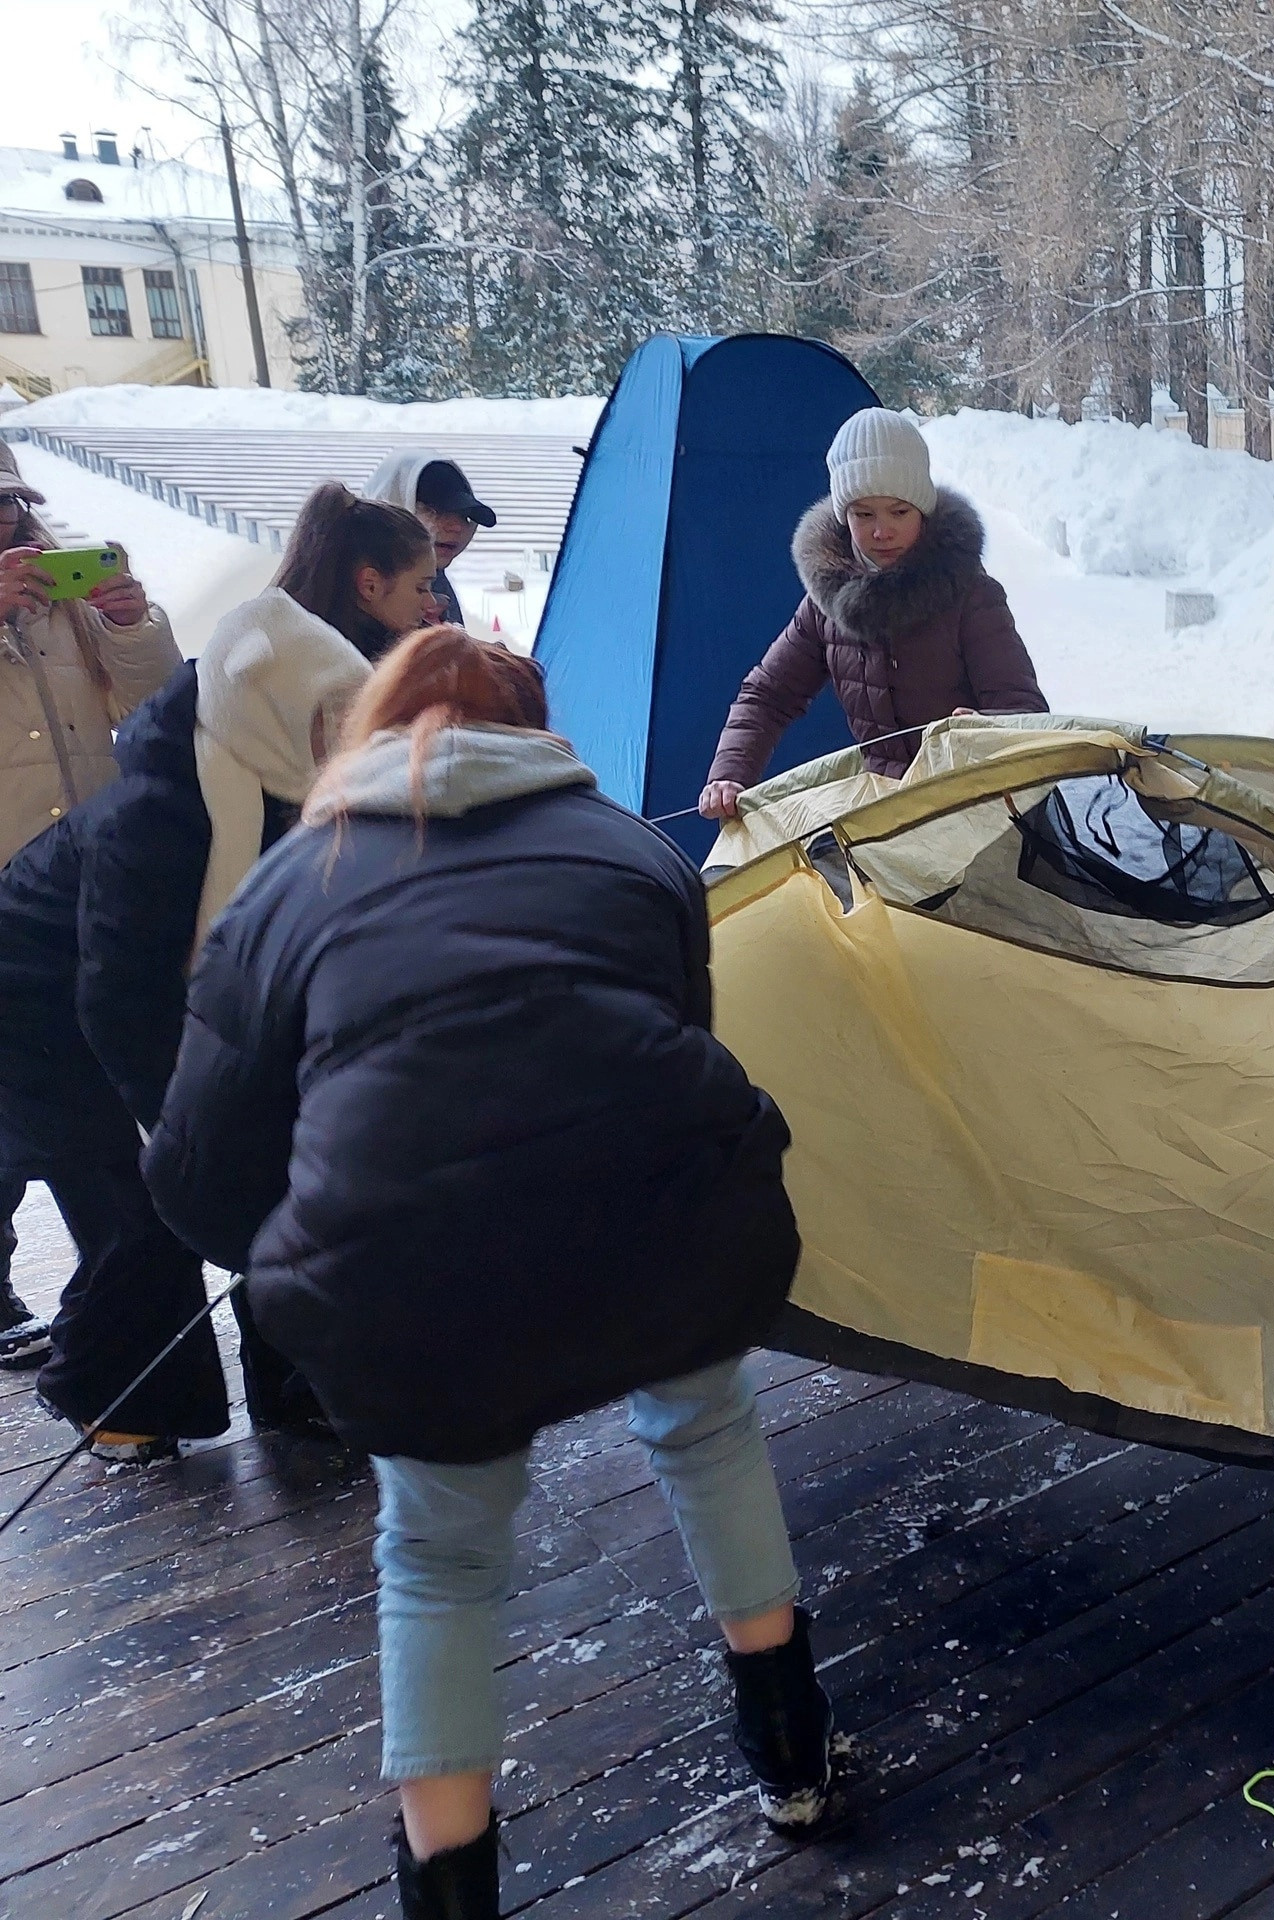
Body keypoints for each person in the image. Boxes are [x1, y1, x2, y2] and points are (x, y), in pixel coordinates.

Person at [143, 628, 845, 1920]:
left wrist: (304, 1237)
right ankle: (793, 1753)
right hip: (668, 1218)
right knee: (704, 1421)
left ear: (372, 732)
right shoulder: (636, 849)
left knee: (442, 1559)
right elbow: (670, 1036)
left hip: (413, 1271)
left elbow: (196, 1179)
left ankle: (451, 1891)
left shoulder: (295, 881)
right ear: (532, 732)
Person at [0, 482, 435, 1459]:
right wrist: (186, 1117)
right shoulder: (165, 812)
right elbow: (120, 997)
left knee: (264, 1159)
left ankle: (297, 1383)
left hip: (132, 979)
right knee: (152, 1201)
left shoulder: (272, 776)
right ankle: (107, 1391)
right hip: (31, 997)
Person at [0, 444, 182, 1370]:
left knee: (87, 1110)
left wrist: (133, 623)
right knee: (36, 1117)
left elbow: (157, 707)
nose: (6, 523)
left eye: (10, 505)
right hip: (4, 899)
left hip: (93, 877)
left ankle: (119, 1317)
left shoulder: (66, 593)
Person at [700, 408, 1045, 817]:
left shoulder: (971, 595)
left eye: (899, 511)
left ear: (923, 509)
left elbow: (1024, 710)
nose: (882, 531)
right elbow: (767, 694)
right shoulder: (826, 605)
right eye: (864, 514)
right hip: (883, 813)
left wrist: (984, 732)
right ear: (844, 517)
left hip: (971, 804)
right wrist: (729, 773)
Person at [364, 452, 496, 628]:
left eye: (465, 516)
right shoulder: (346, 593)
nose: (456, 527)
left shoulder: (437, 580)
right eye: (435, 512)